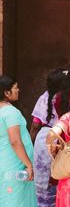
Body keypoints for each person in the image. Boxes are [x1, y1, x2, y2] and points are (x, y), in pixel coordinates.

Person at [30, 69, 65, 207]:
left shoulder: (44, 98)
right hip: (61, 139)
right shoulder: (68, 98)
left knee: (42, 180)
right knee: (60, 177)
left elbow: (34, 125)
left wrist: (30, 144)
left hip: (44, 139)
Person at [0, 76, 37, 207]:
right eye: (15, 88)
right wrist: (29, 165)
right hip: (15, 165)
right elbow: (15, 141)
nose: (18, 90)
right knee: (16, 200)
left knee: (6, 197)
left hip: (5, 162)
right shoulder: (10, 112)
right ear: (6, 92)